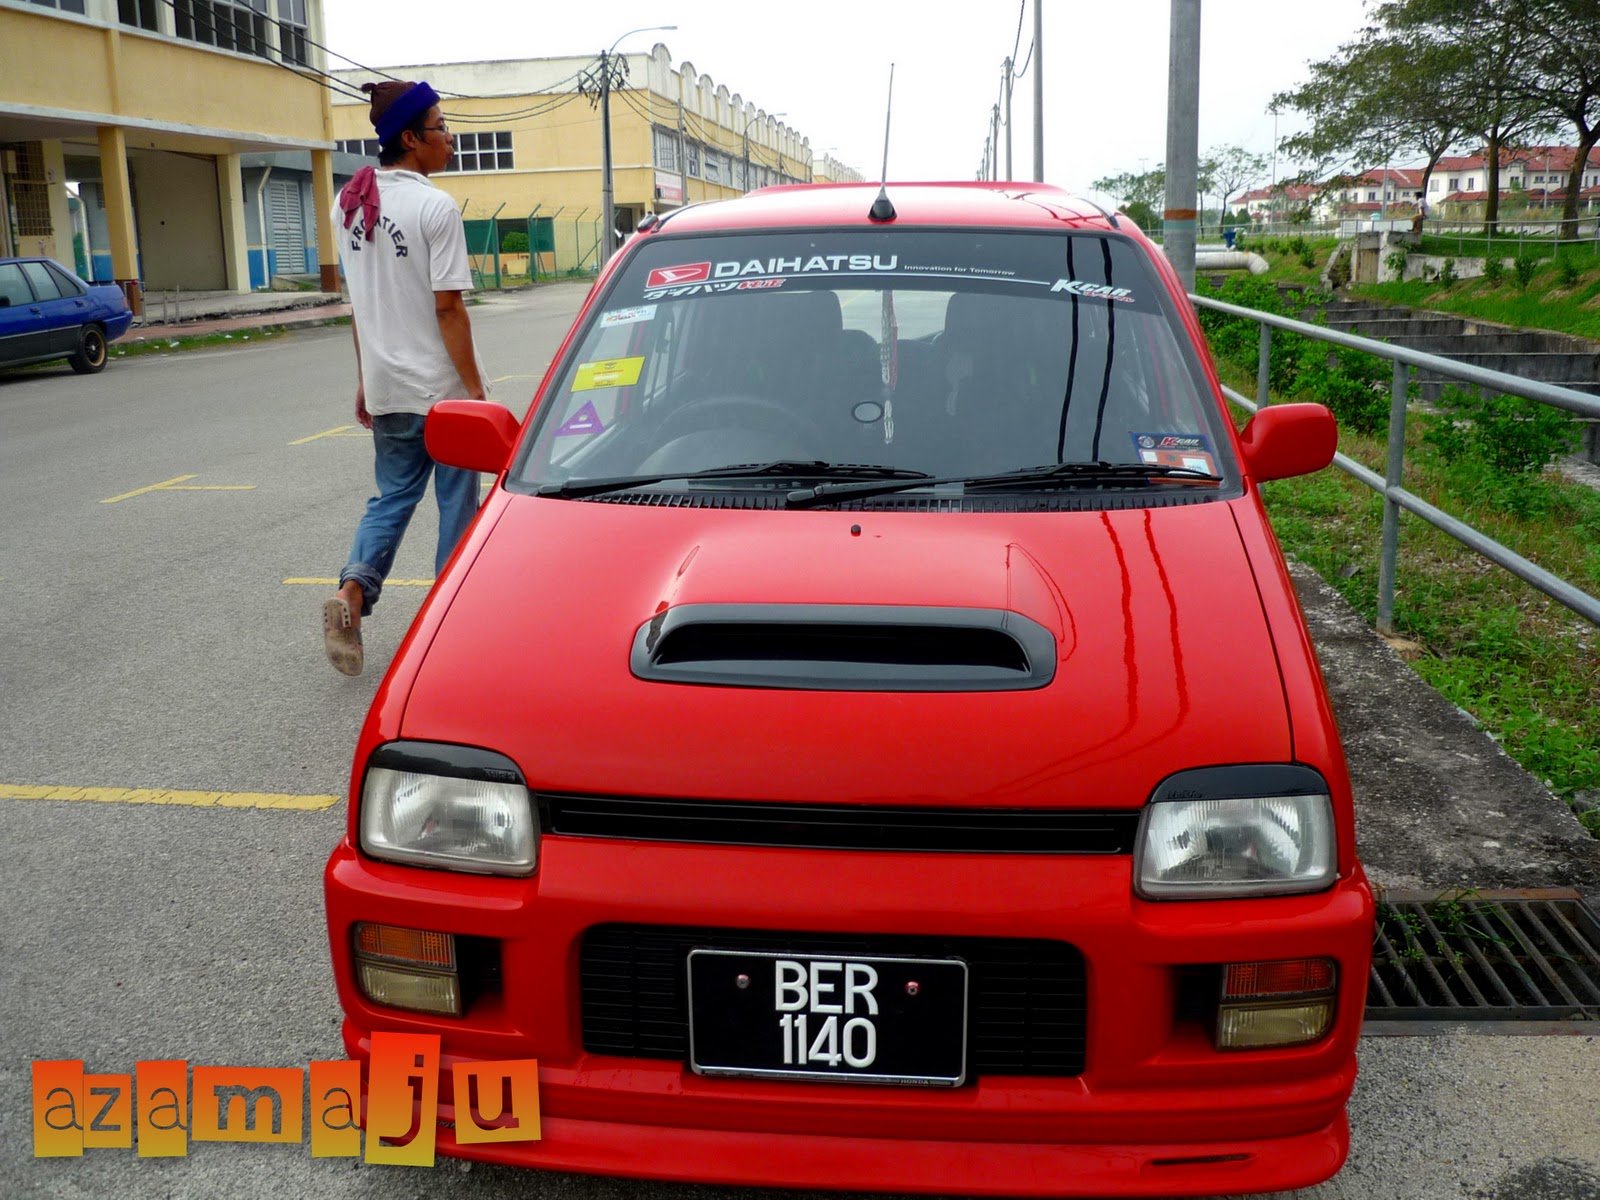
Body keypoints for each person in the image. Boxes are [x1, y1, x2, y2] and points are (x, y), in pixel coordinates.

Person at [322, 79, 490, 676]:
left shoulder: (351, 203)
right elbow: (449, 308)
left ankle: (351, 593)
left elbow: (360, 306)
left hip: (389, 384)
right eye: (442, 127)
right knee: (457, 508)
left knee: (392, 498)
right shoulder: (434, 207)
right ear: (413, 138)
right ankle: (451, 629)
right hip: (440, 392)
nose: (451, 138)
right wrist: (475, 392)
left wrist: (366, 378)